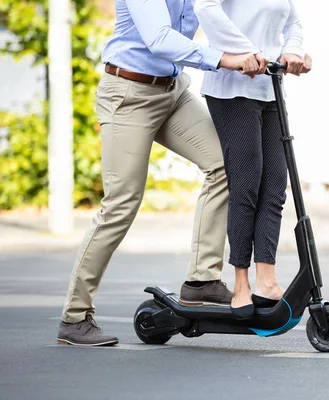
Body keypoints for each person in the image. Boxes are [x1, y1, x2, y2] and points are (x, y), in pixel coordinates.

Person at [57, 0, 263, 346]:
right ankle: (74, 317)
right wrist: (225, 59)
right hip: (128, 94)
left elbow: (224, 16)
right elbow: (159, 38)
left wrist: (272, 51)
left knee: (224, 164)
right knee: (121, 203)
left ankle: (201, 281)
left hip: (173, 92)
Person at [196, 0, 312, 319]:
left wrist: (292, 52)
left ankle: (266, 279)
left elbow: (293, 24)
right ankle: (241, 284)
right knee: (246, 185)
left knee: (274, 184)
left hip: (270, 89)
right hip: (232, 89)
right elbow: (206, 8)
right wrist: (246, 52)